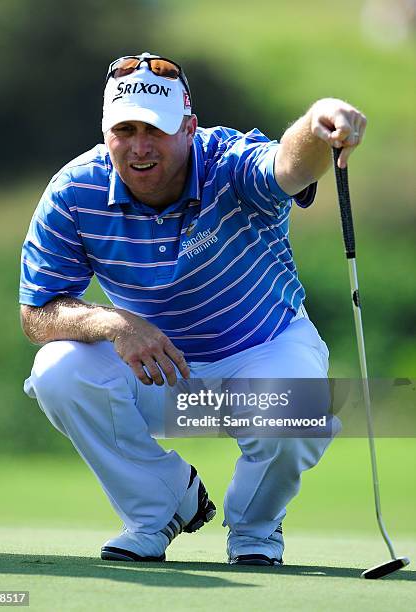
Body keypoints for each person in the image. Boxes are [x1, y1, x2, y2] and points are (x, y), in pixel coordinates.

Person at [19, 52, 367, 565]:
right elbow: (37, 315)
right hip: (163, 374)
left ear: (188, 127)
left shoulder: (228, 162)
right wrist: (113, 322)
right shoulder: (75, 190)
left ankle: (254, 531)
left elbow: (289, 167)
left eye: (155, 131)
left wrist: (318, 125)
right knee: (58, 369)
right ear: (105, 131)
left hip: (261, 354)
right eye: (125, 130)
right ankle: (159, 506)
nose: (139, 148)